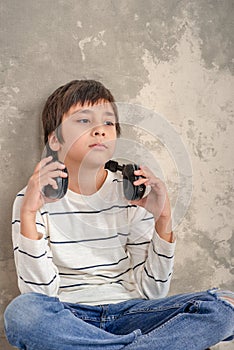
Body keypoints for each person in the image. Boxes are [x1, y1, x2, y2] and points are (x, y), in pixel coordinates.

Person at [4, 80, 234, 350]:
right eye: (84, 120)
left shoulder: (132, 196)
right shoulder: (30, 199)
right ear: (55, 139)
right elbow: (39, 295)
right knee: (22, 313)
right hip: (69, 318)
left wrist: (163, 220)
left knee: (224, 305)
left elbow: (152, 293)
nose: (100, 130)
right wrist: (29, 214)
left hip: (130, 314)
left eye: (108, 123)